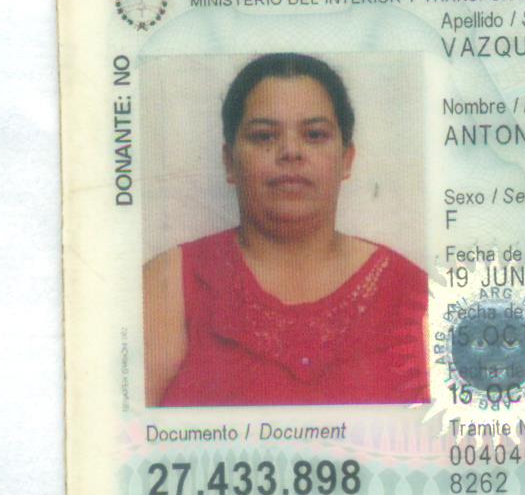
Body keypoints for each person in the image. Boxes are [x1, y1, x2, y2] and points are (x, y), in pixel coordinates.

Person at [145, 52, 430, 407]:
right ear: (229, 162)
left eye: (315, 135)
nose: (291, 151)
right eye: (264, 136)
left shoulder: (414, 295)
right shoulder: (168, 285)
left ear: (346, 160)